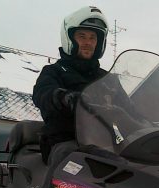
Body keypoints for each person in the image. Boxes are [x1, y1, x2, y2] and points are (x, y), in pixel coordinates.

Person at [33, 6, 109, 163]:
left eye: (92, 38)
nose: (88, 42)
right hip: (64, 141)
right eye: (82, 36)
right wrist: (64, 97)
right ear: (70, 39)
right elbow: (42, 94)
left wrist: (145, 124)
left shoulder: (107, 79)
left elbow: (129, 109)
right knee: (70, 159)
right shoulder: (54, 71)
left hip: (103, 143)